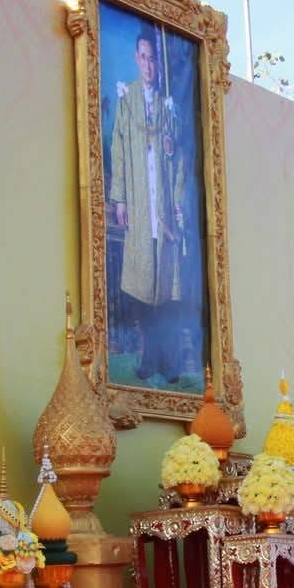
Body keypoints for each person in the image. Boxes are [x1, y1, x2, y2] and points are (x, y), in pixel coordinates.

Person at [107, 26, 189, 384]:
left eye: (153, 57)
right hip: (140, 204)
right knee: (143, 286)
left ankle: (168, 360)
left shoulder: (169, 105)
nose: (148, 64)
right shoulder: (127, 99)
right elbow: (119, 151)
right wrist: (121, 199)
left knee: (166, 289)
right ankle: (147, 357)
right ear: (136, 60)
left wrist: (179, 200)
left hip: (165, 206)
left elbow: (181, 160)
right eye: (142, 57)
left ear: (158, 60)